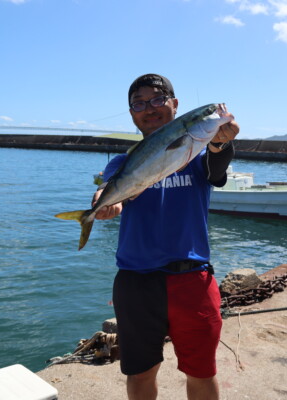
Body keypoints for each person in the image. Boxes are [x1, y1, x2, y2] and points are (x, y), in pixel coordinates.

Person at [92, 74, 240, 400]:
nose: (150, 108)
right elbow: (111, 189)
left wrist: (220, 142)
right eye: (139, 103)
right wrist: (105, 202)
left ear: (175, 105)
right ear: (131, 113)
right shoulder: (122, 161)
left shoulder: (196, 156)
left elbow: (217, 166)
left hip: (192, 279)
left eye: (158, 99)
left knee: (202, 371)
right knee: (140, 373)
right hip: (136, 282)